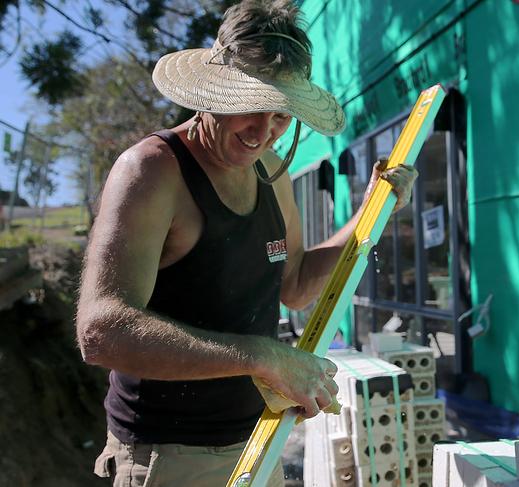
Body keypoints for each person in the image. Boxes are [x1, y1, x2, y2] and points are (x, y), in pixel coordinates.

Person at [75, 1, 418, 486]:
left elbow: (296, 285)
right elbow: (101, 332)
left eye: (281, 115)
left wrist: (370, 214)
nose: (264, 131)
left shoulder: (269, 174)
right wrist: (263, 356)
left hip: (259, 440)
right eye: (250, 106)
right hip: (170, 455)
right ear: (211, 93)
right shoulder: (152, 172)